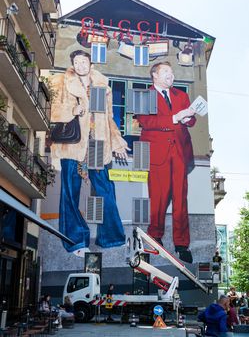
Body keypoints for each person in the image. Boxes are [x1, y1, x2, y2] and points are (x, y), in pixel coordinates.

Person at [50, 50, 130, 256]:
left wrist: (117, 141)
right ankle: (76, 241)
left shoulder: (102, 85)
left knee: (105, 190)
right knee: (70, 193)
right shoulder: (62, 81)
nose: (80, 65)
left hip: (96, 144)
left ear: (90, 63)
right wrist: (71, 112)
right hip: (74, 145)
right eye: (76, 62)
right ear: (72, 64)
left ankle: (110, 238)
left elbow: (109, 118)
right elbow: (52, 109)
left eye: (83, 61)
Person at [136, 61, 196, 263]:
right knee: (158, 198)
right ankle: (155, 237)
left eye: (172, 72)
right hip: (157, 154)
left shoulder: (182, 95)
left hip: (180, 152)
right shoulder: (144, 95)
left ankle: (182, 243)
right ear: (154, 75)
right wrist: (174, 118)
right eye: (166, 72)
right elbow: (146, 122)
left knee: (181, 198)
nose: (171, 75)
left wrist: (188, 119)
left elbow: (192, 120)